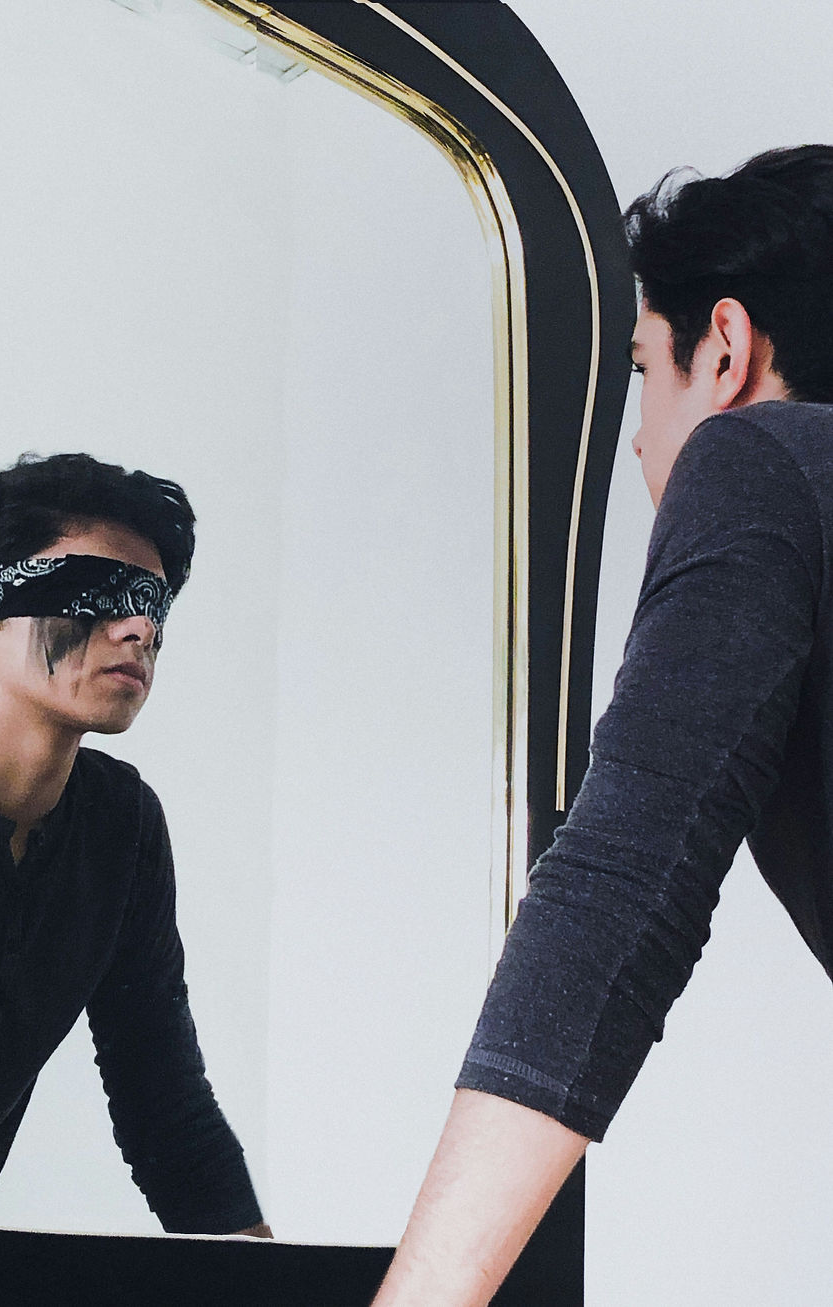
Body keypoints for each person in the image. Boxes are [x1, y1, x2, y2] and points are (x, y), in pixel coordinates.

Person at [372, 143, 833, 1305]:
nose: (636, 435)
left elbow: (621, 882)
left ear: (723, 347)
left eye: (640, 370)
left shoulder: (758, 454)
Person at [0, 451, 269, 1236]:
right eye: (101, 591)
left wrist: (269, 1280)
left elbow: (167, 1113)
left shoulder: (122, 826)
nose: (140, 625)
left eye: (154, 604)